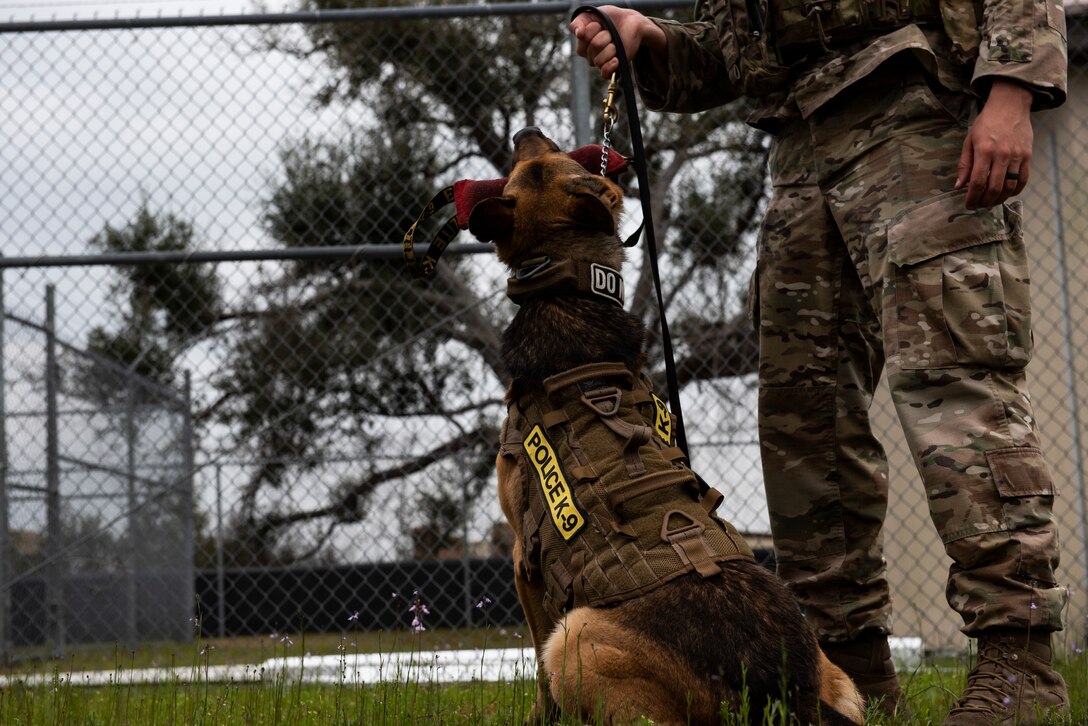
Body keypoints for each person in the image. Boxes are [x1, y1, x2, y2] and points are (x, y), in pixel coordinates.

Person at [570, 1, 1069, 723]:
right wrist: (650, 39)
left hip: (915, 116)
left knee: (956, 389)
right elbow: (730, 58)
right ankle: (850, 674)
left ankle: (1019, 666)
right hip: (799, 152)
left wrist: (1012, 88)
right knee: (807, 423)